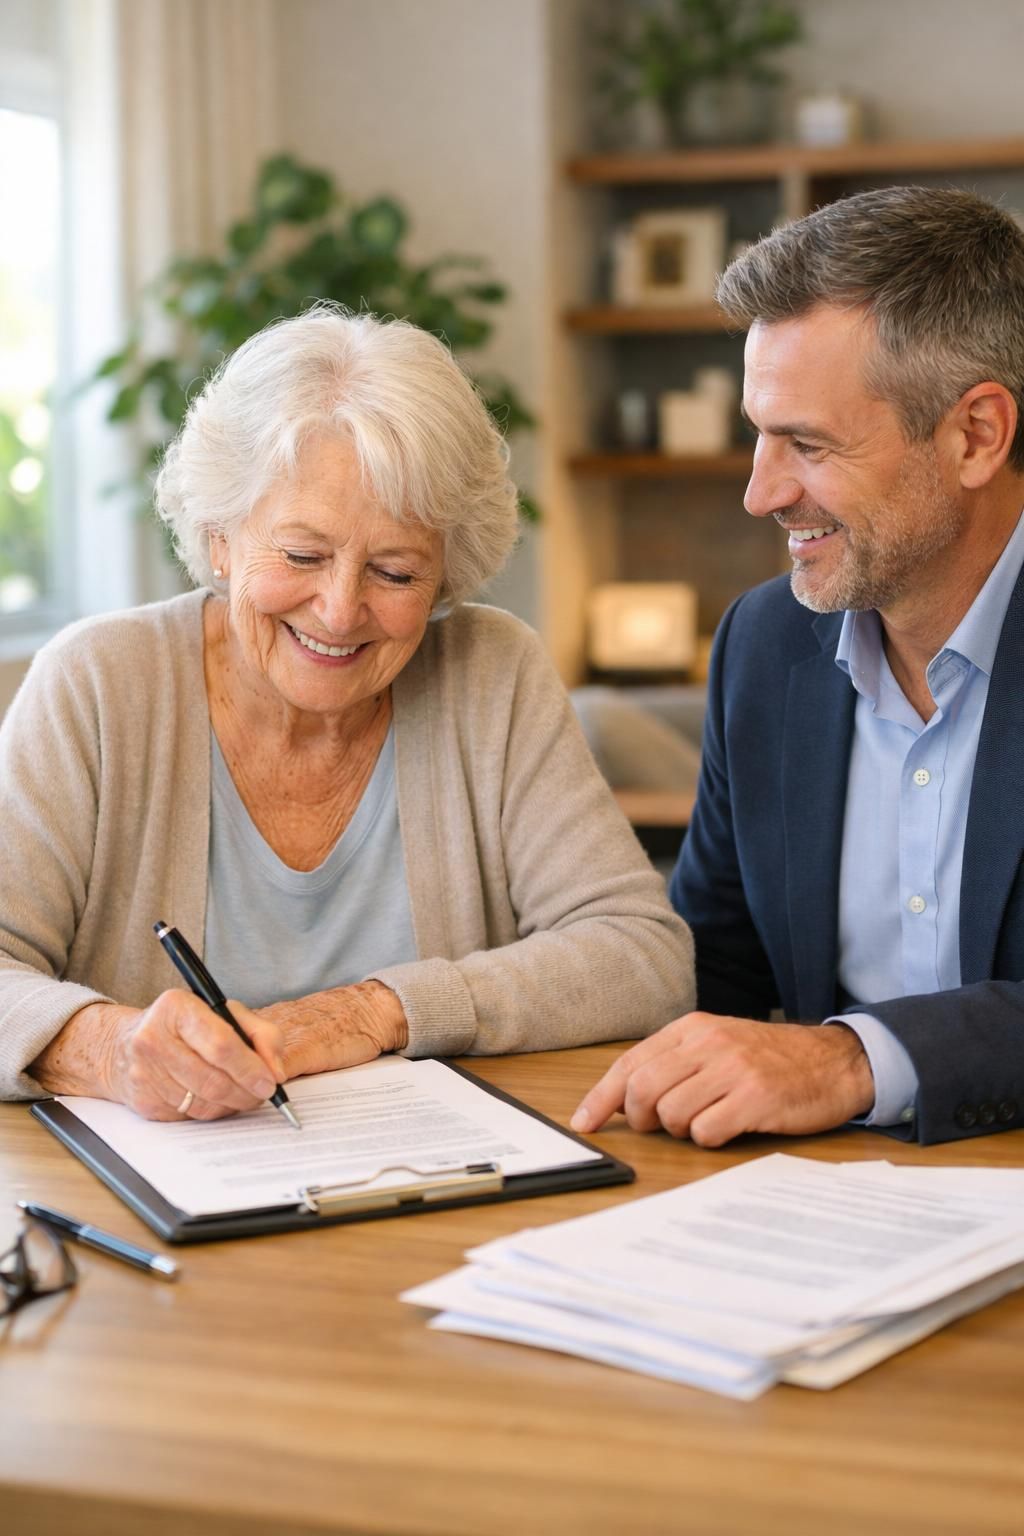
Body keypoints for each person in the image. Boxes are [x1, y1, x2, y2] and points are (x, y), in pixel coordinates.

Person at [0, 306, 695, 1119]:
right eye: (302, 556)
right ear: (219, 536)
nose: (338, 611)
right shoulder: (99, 681)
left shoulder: (491, 672)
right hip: (157, 1203)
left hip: (436, 1191)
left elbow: (644, 958)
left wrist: (371, 1012)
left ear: (447, 576)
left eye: (395, 573)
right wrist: (109, 1049)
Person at [573, 185, 1024, 1149]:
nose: (760, 491)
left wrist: (853, 1058)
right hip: (816, 1215)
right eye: (758, 433)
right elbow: (710, 968)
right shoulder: (765, 644)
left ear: (976, 435)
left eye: (807, 444)